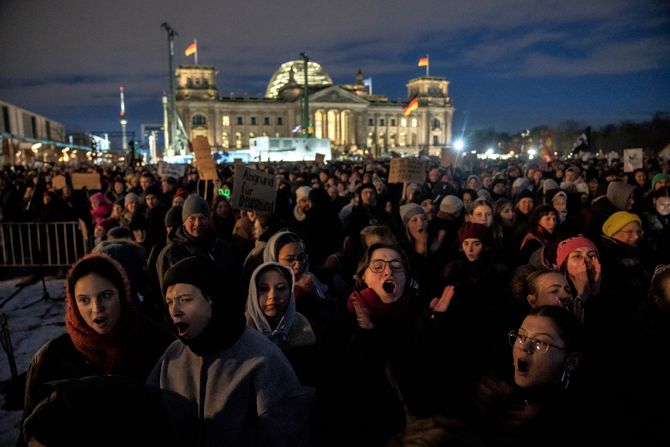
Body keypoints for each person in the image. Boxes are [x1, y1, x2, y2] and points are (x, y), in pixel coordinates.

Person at [146, 255, 310, 446]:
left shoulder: (263, 359)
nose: (175, 311)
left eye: (185, 299)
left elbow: (286, 436)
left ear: (213, 300)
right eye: (169, 302)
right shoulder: (173, 356)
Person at [20, 253, 175, 446]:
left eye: (106, 296)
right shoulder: (52, 357)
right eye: (84, 300)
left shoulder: (158, 344)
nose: (96, 308)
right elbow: (31, 431)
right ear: (72, 303)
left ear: (123, 293)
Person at [246, 261, 317, 388]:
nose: (272, 296)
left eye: (281, 288)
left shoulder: (304, 329)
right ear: (253, 292)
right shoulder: (241, 333)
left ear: (291, 291)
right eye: (263, 289)